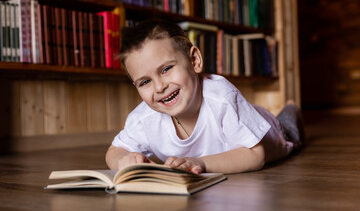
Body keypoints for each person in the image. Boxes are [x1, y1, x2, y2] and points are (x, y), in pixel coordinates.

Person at [106, 19, 305, 174]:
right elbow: (114, 151)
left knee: (289, 128)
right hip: (239, 120)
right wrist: (122, 160)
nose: (159, 87)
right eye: (145, 82)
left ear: (194, 60)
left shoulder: (222, 97)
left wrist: (201, 163)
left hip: (271, 130)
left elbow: (256, 154)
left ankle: (291, 107)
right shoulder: (144, 119)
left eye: (166, 69)